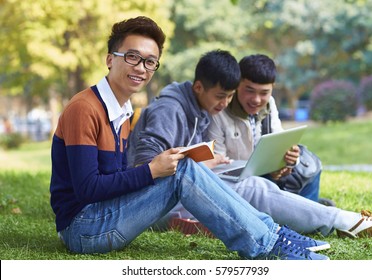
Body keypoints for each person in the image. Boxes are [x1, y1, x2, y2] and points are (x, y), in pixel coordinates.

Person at [49, 17, 329, 260]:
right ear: (110, 59)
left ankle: (273, 234)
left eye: (149, 61)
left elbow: (116, 176)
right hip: (84, 228)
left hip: (106, 212)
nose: (141, 68)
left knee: (184, 164)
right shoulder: (84, 109)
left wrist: (163, 166)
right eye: (131, 57)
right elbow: (87, 189)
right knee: (182, 170)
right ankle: (268, 242)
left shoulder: (121, 110)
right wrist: (151, 171)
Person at [128, 50, 372, 242]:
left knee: (259, 176)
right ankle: (346, 221)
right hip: (151, 205)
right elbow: (145, 169)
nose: (224, 103)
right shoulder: (171, 109)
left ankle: (323, 217)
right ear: (198, 87)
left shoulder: (199, 106)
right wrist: (199, 166)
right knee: (250, 185)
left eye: (229, 97)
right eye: (221, 96)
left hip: (177, 195)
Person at [208, 53, 326, 203]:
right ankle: (308, 210)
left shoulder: (269, 103)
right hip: (238, 181)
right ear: (237, 85)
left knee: (310, 164)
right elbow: (218, 166)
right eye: (249, 90)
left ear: (272, 88)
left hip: (266, 172)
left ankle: (310, 207)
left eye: (264, 92)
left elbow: (278, 139)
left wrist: (289, 160)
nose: (256, 100)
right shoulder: (219, 112)